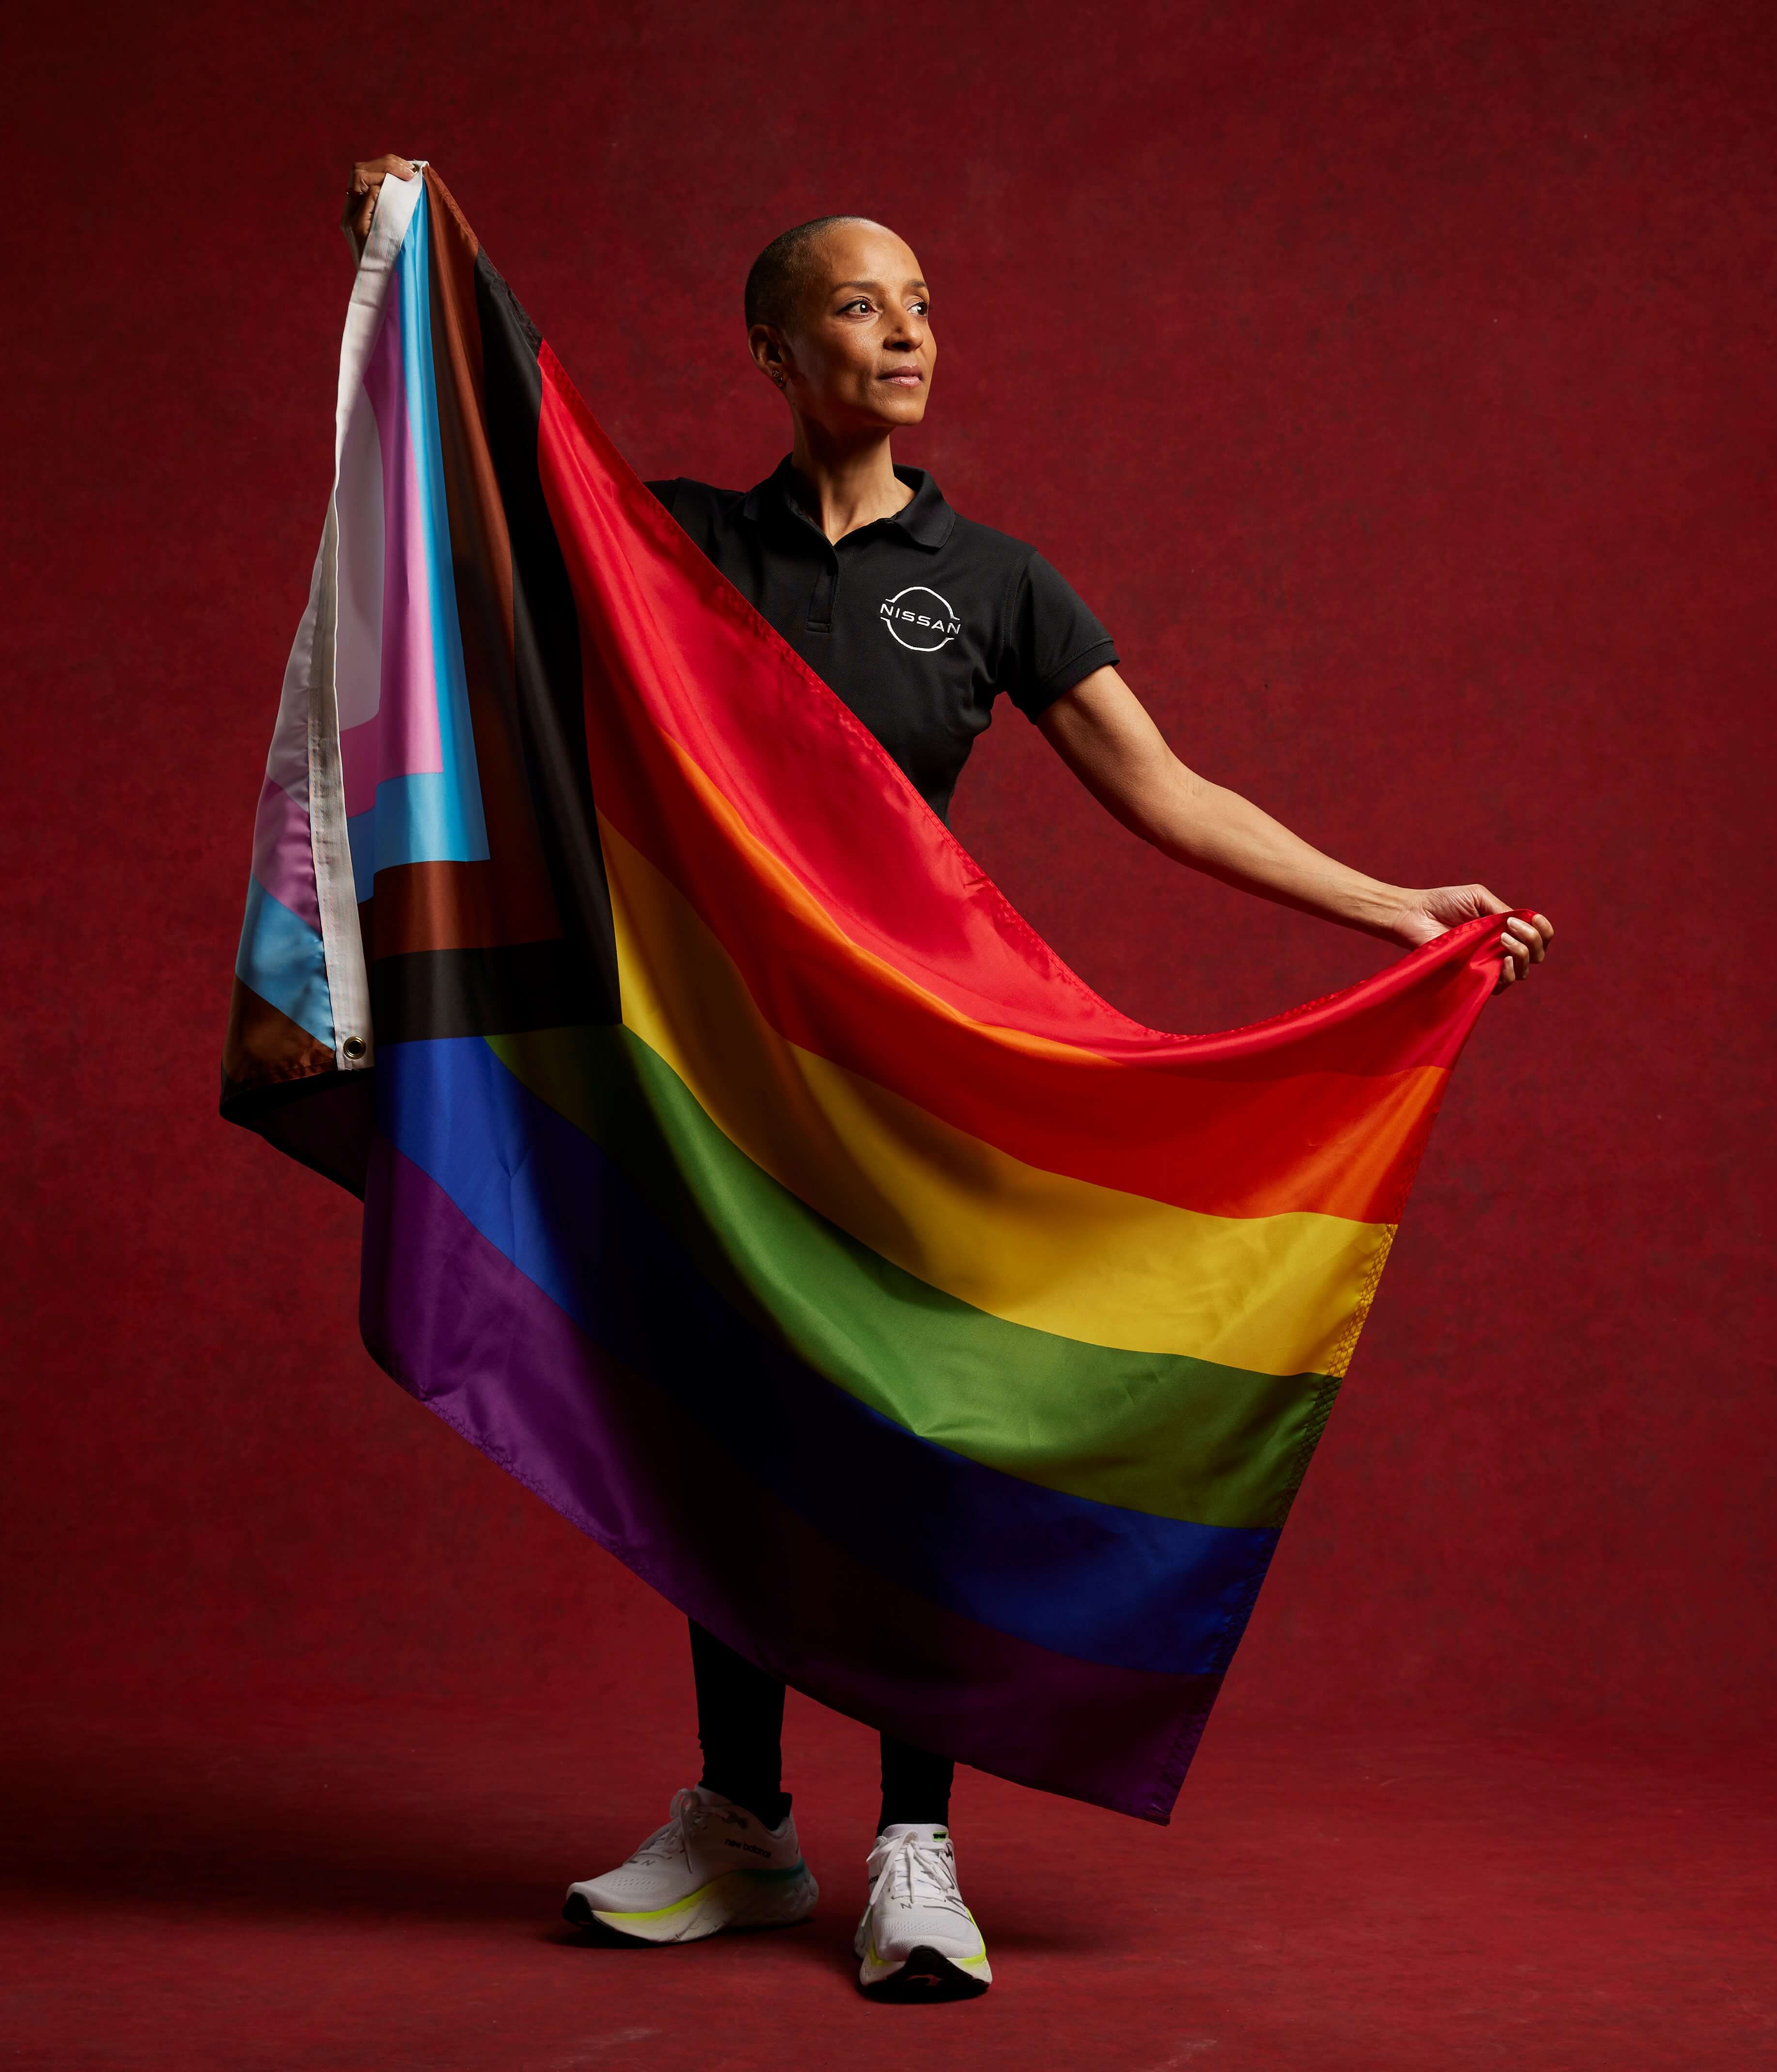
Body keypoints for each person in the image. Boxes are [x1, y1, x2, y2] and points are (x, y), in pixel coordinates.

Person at [343, 157, 1555, 2003]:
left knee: (922, 1424)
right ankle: (741, 1825)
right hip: (722, 1076)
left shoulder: (990, 582)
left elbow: (1167, 790)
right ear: (773, 346)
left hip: (919, 1071)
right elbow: (478, 493)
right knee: (729, 1414)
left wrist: (1385, 904)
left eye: (918, 302)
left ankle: (917, 1845)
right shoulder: (677, 549)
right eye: (857, 302)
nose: (905, 329)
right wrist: (405, 251)